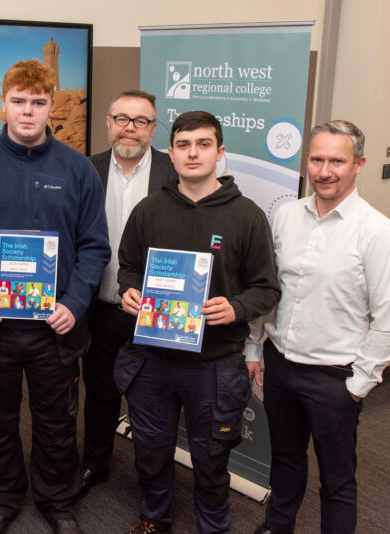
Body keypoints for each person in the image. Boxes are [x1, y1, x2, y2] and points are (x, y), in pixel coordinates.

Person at [0, 59, 110, 534]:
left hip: (56, 327)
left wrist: (73, 306)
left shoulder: (78, 169)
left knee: (57, 422)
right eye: (18, 102)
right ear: (3, 106)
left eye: (37, 102)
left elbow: (95, 246)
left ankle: (58, 501)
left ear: (51, 105)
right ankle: (2, 497)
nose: (28, 112)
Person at [116, 111, 279, 534]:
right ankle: (155, 518)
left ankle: (214, 527)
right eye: (184, 145)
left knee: (211, 458)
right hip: (151, 358)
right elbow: (129, 267)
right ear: (170, 153)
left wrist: (237, 308)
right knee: (150, 451)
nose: (193, 153)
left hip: (214, 363)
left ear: (220, 152)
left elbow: (267, 288)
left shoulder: (247, 216)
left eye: (203, 144)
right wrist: (130, 291)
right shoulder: (148, 210)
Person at [247, 120, 390, 534]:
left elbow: (386, 316)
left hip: (334, 378)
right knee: (286, 461)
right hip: (280, 366)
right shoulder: (287, 215)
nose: (325, 171)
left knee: (337, 479)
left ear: (359, 164)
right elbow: (269, 289)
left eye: (337, 161)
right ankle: (278, 526)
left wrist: (359, 384)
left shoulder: (376, 231)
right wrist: (255, 349)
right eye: (316, 159)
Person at [79, 89, 177, 498]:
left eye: (141, 121)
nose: (130, 128)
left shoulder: (176, 174)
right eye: (122, 118)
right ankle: (95, 464)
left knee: (154, 401)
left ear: (154, 128)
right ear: (108, 122)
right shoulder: (86, 169)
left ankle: (153, 481)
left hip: (153, 311)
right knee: (99, 391)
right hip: (96, 306)